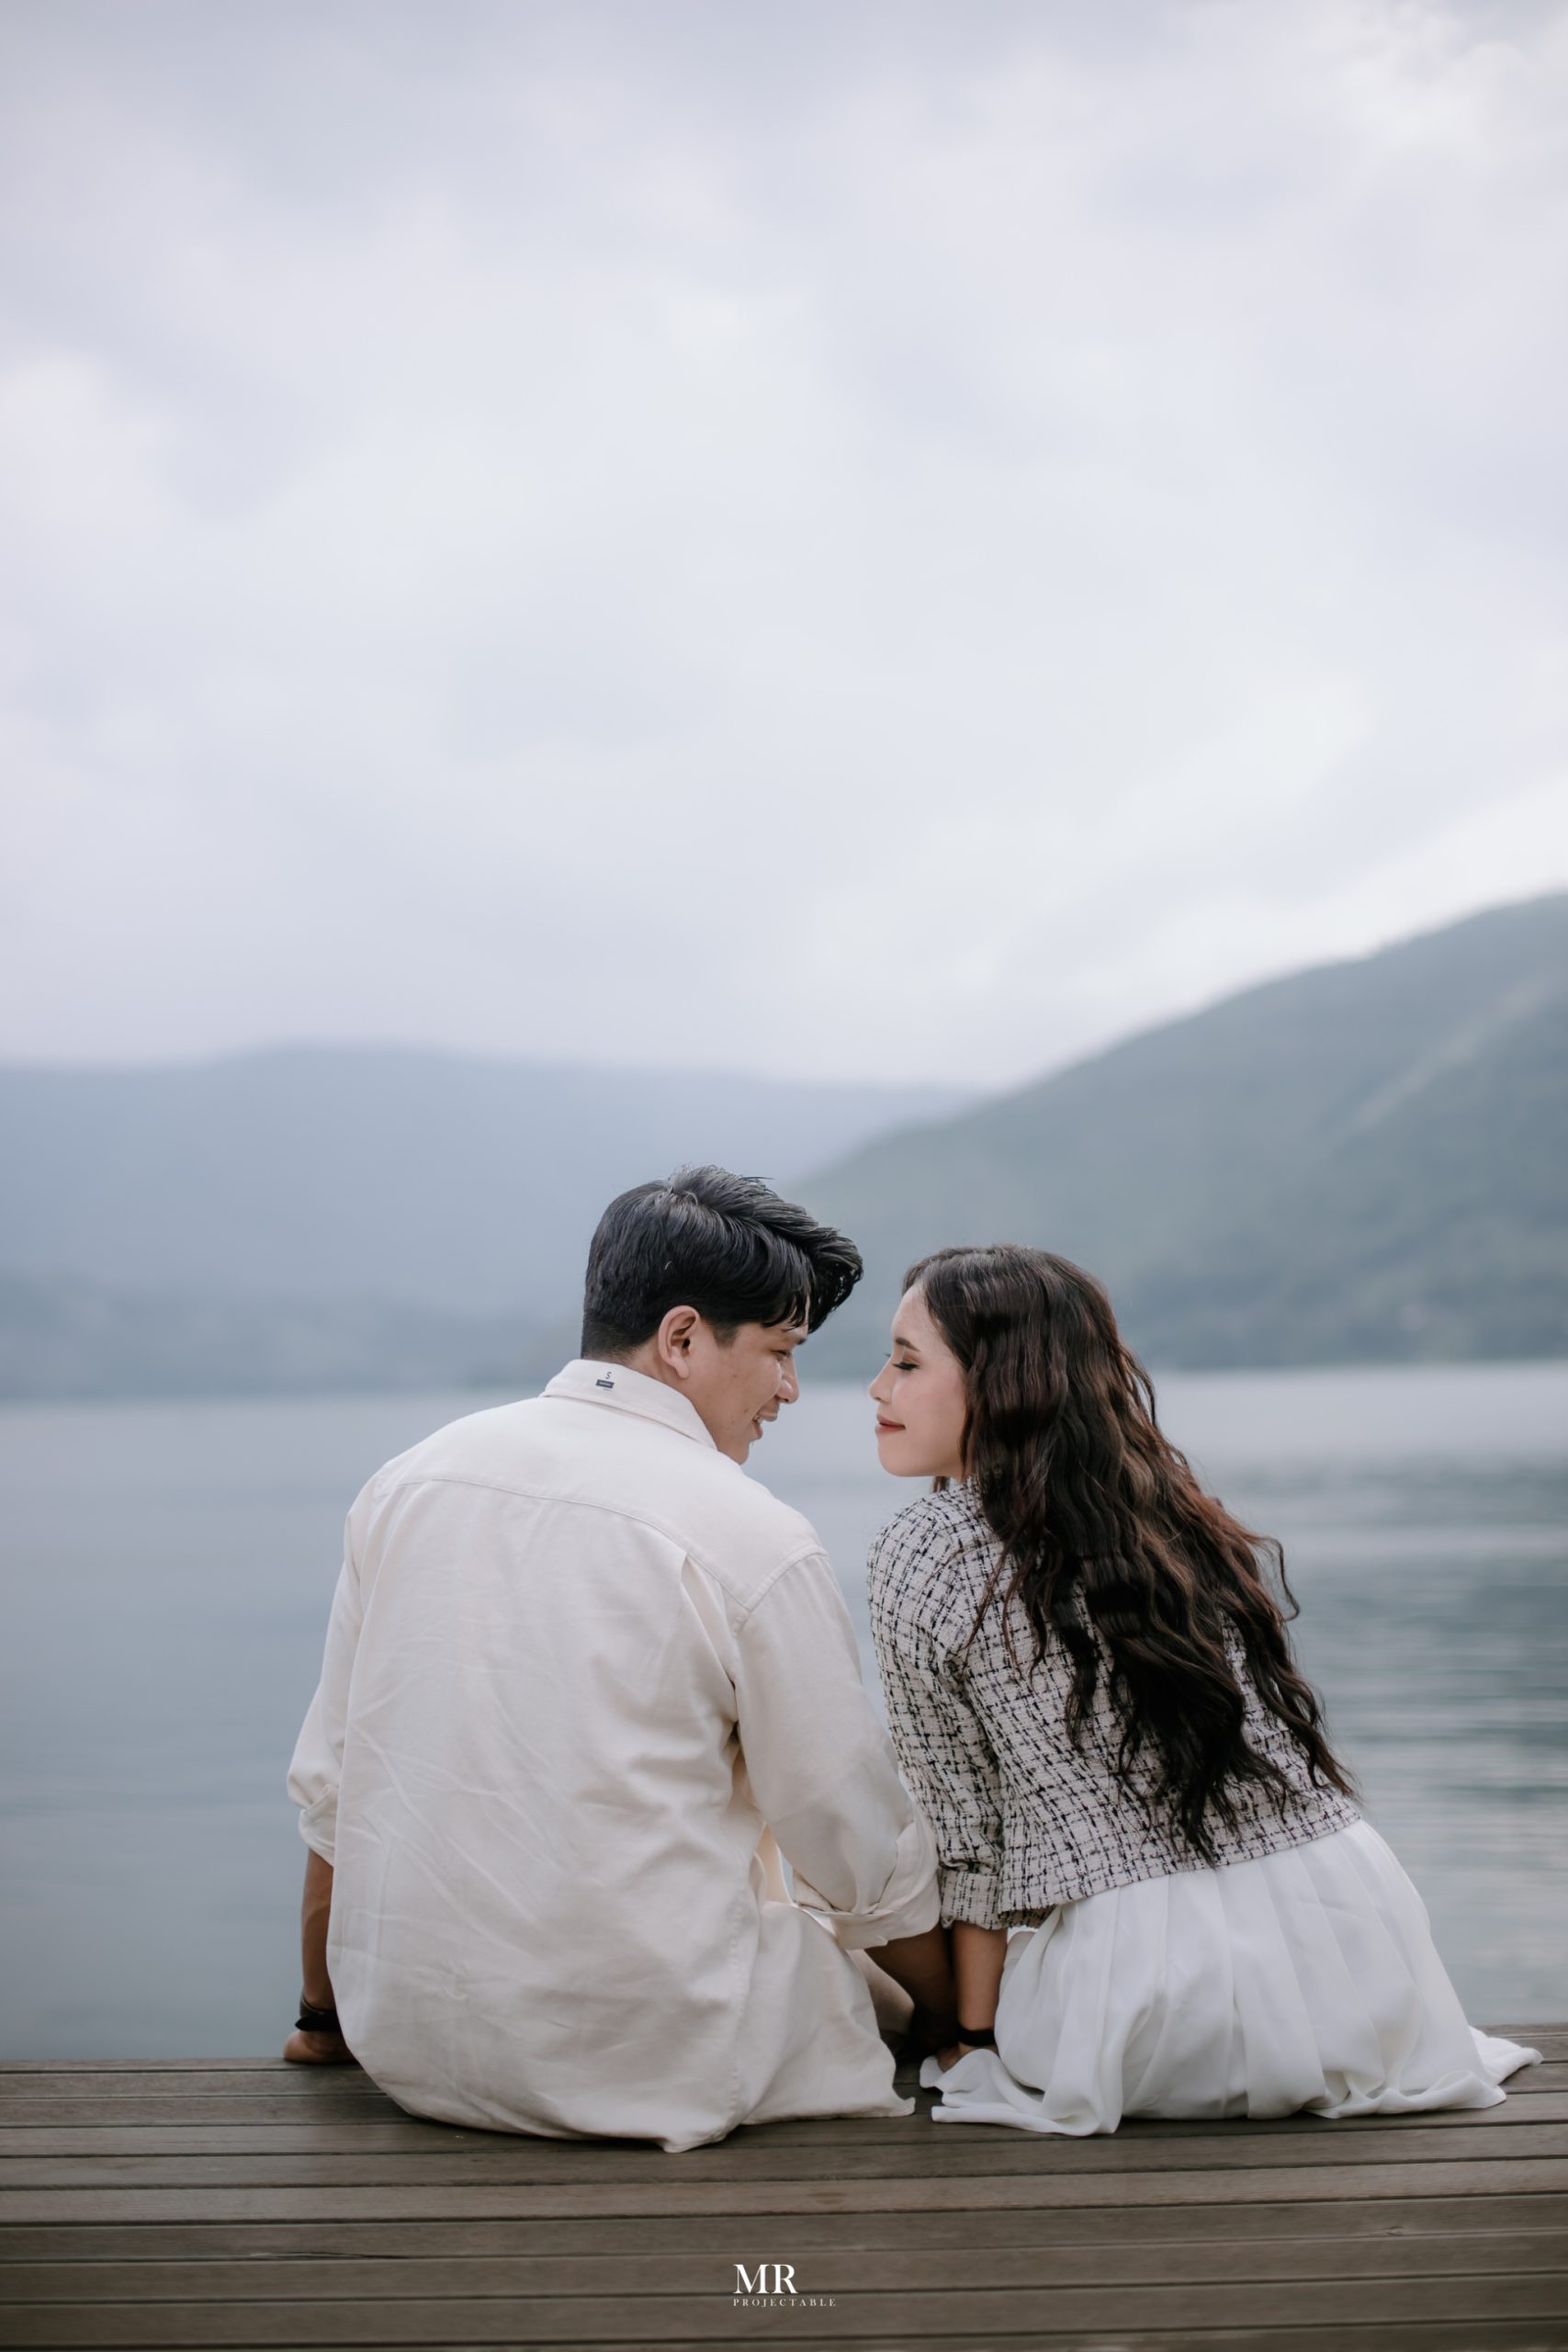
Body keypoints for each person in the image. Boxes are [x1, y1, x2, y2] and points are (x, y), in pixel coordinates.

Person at [284, 1168, 956, 2153]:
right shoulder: (749, 1534)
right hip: (658, 2059)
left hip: (414, 2051)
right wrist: (953, 2025)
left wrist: (322, 2018)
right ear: (682, 1339)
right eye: (779, 1352)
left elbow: (335, 1789)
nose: (789, 1390)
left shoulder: (407, 1482)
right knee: (860, 1945)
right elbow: (850, 1836)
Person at [865, 1243, 1540, 2135]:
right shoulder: (1166, 1513)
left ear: (1001, 1382)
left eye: (906, 1362)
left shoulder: (925, 1549)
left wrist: (973, 2039)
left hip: (1148, 2006)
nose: (877, 1387)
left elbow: (968, 1840)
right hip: (1361, 1964)